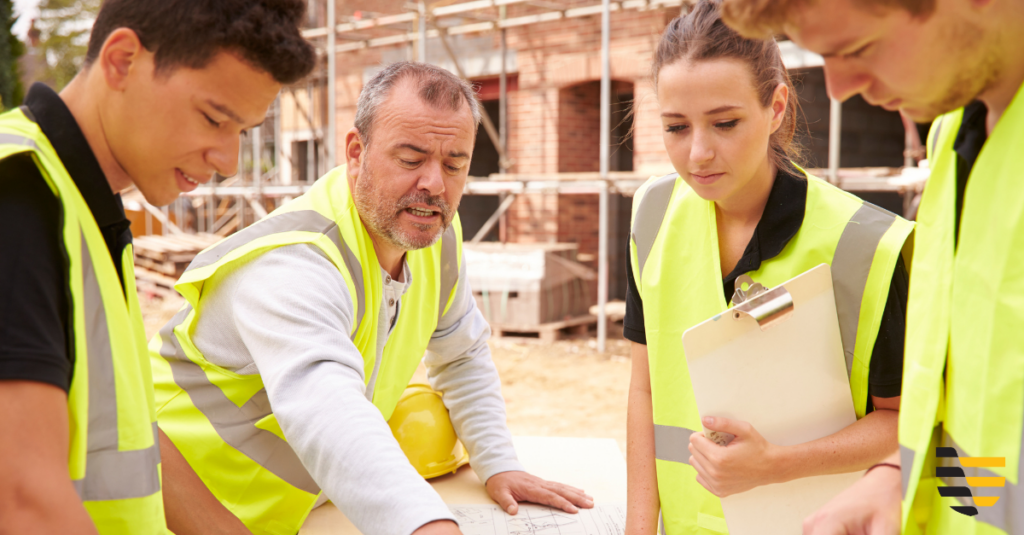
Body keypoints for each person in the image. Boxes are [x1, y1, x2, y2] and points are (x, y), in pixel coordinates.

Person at [148, 61, 593, 535]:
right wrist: (426, 525)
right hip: (165, 515)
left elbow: (461, 355)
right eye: (410, 159)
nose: (434, 184)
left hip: (281, 517)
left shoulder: (432, 237)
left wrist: (499, 463)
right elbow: (327, 408)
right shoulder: (293, 263)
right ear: (356, 152)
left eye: (454, 163)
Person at [0, 1, 315, 534]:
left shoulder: (83, 205)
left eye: (244, 130)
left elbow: (128, 431)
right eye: (215, 118)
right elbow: (25, 499)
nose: (229, 161)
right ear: (122, 61)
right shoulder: (19, 199)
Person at [717, 0, 1024, 532]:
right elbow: (986, 419)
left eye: (858, 48)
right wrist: (898, 474)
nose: (837, 87)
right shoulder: (955, 135)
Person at [622, 2, 915, 533]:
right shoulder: (652, 213)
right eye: (675, 127)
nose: (698, 154)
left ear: (776, 106)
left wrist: (777, 465)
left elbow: (904, 423)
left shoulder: (867, 246)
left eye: (725, 122)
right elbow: (644, 392)